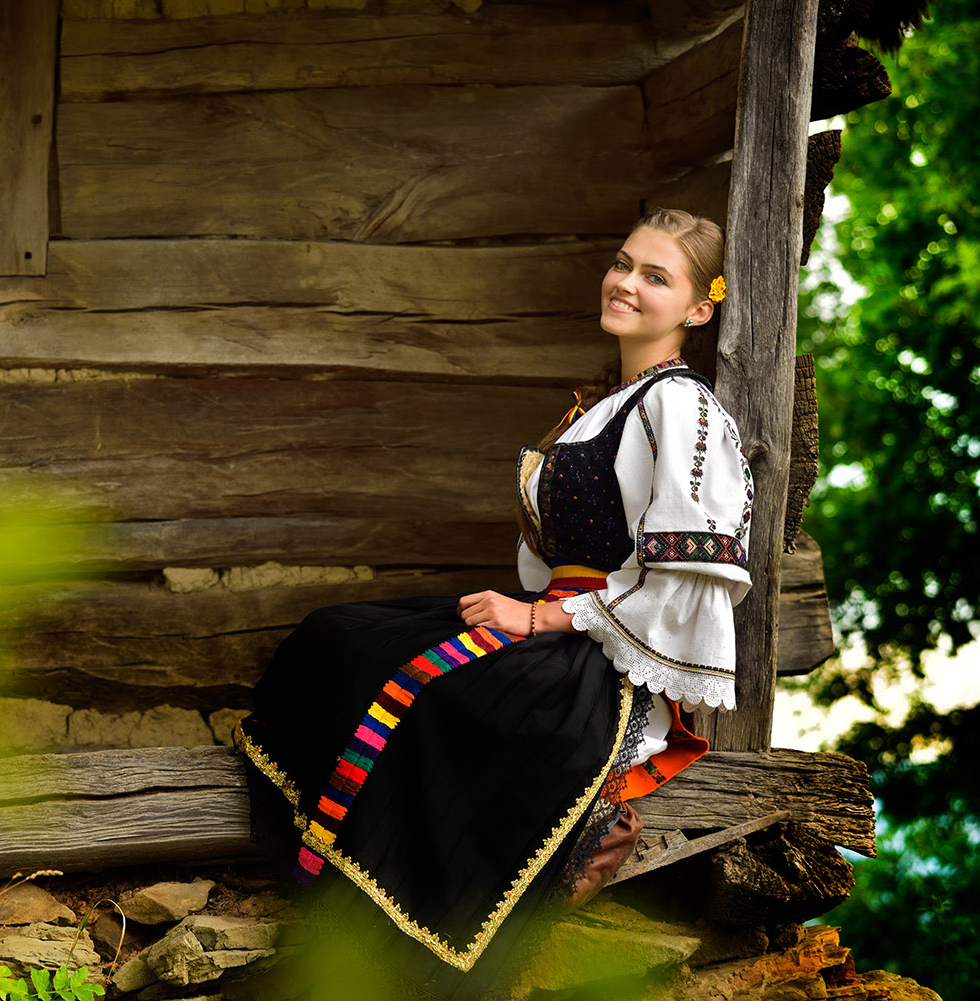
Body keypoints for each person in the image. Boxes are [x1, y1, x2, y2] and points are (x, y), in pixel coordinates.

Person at [235, 208, 753, 998]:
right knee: (338, 637)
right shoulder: (611, 400)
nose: (626, 282)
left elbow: (687, 572)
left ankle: (415, 936)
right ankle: (328, 881)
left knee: (417, 689)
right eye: (623, 263)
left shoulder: (681, 407)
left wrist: (545, 617)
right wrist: (533, 608)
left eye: (657, 275)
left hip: (599, 662)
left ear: (698, 308)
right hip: (554, 626)